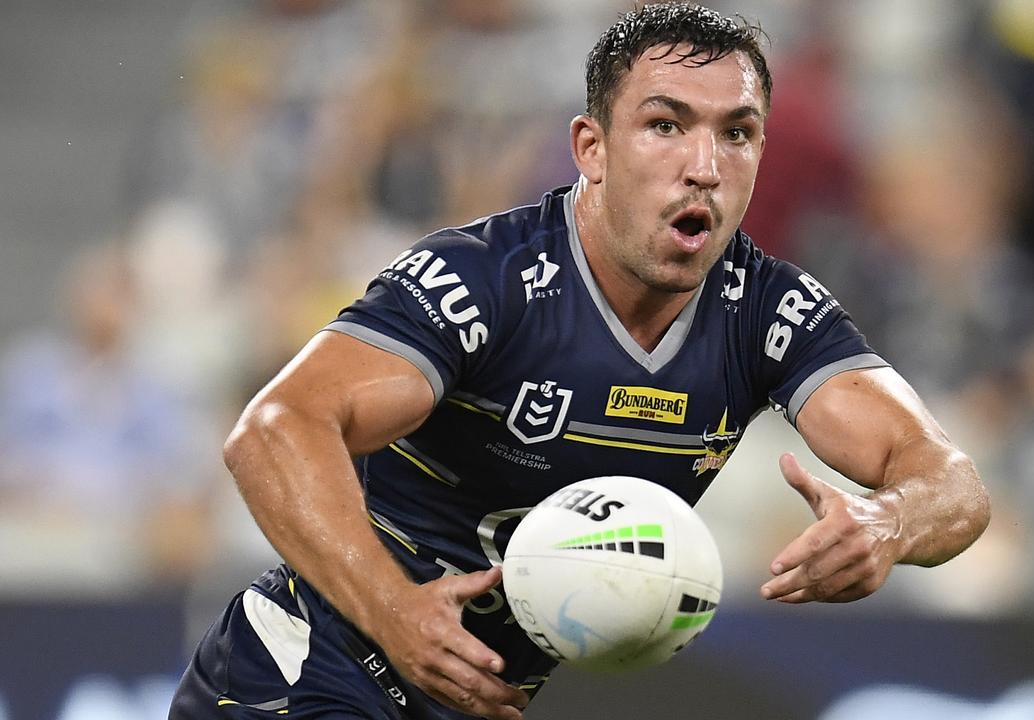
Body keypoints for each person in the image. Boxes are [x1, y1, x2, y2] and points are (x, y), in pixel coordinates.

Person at [170, 4, 990, 719]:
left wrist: (889, 521)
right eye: (665, 125)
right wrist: (392, 610)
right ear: (590, 148)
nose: (703, 165)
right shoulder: (484, 281)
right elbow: (274, 429)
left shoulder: (768, 313)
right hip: (303, 677)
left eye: (736, 133)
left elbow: (951, 481)